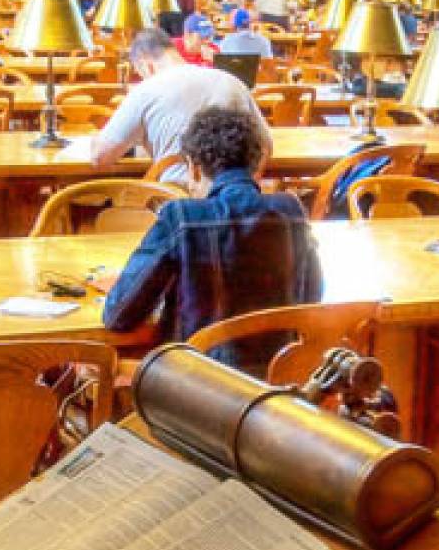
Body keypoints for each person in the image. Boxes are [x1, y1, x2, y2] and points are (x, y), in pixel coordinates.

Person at [99, 106, 322, 375]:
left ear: (193, 167)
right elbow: (311, 297)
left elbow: (119, 316)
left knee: (94, 372)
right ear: (257, 165)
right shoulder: (291, 211)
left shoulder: (181, 217)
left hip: (199, 388)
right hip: (275, 388)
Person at [94, 29, 271, 182]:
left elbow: (100, 157)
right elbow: (266, 146)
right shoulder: (231, 81)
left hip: (173, 202)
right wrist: (250, 183)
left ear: (146, 66)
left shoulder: (145, 90)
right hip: (231, 206)